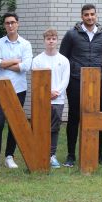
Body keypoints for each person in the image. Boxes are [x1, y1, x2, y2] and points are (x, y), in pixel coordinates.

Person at [59, 4, 102, 167]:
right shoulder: (71, 34)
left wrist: (95, 71)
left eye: (92, 14)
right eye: (86, 15)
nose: (90, 17)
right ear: (82, 17)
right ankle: (70, 155)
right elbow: (63, 58)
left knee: (97, 117)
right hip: (75, 81)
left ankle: (98, 153)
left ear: (96, 15)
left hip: (97, 83)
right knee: (74, 117)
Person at [0, 12, 33, 171]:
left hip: (19, 89)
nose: (10, 25)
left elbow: (26, 66)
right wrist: (15, 61)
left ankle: (9, 156)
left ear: (18, 24)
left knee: (15, 124)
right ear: (4, 25)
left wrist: (4, 64)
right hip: (0, 89)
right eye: (7, 23)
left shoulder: (25, 44)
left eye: (13, 22)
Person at [32, 28, 70, 169]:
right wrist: (47, 93)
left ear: (57, 40)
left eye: (53, 38)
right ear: (44, 41)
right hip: (42, 100)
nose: (51, 41)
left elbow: (65, 80)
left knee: (54, 128)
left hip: (58, 100)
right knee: (40, 127)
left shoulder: (64, 60)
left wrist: (57, 92)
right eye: (48, 39)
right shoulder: (37, 60)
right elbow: (36, 80)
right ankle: (39, 154)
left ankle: (51, 155)